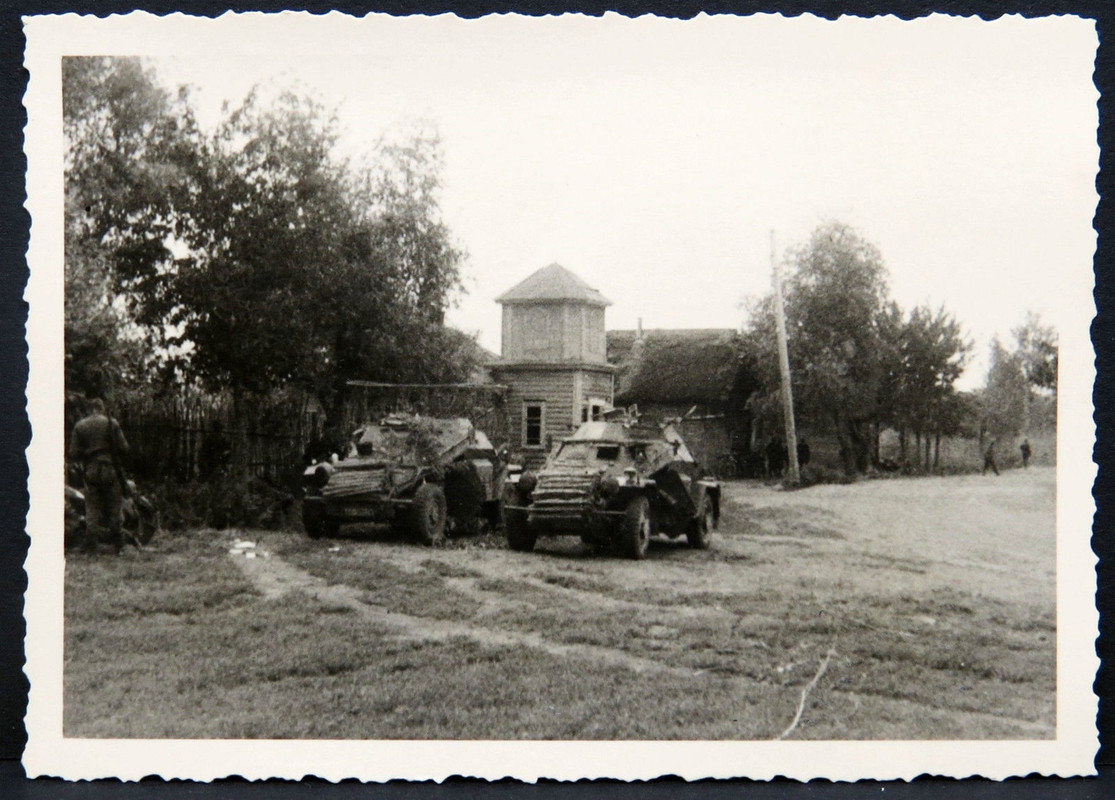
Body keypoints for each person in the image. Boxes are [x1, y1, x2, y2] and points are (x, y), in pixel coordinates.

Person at [69, 398, 130, 554]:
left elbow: (73, 453)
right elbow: (124, 448)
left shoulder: (80, 426)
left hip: (90, 470)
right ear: (101, 408)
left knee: (92, 508)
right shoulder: (112, 423)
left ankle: (91, 547)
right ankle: (119, 546)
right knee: (115, 507)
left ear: (89, 410)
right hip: (110, 468)